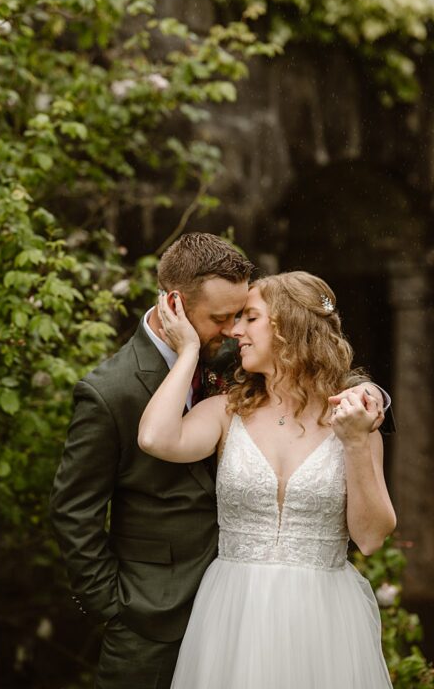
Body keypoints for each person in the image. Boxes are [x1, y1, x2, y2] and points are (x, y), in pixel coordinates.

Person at [48, 233, 388, 689]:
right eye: (224, 318)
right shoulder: (114, 390)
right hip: (165, 609)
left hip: (307, 612)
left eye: (244, 316)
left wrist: (371, 398)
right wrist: (112, 606)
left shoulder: (241, 357)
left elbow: (311, 364)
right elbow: (76, 510)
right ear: (176, 305)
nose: (234, 330)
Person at [138, 271, 395, 688]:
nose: (236, 330)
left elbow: (371, 538)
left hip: (324, 619)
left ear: (288, 327)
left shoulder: (354, 420)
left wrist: (354, 444)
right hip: (233, 610)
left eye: (250, 318)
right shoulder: (227, 412)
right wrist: (187, 353)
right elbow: (154, 438)